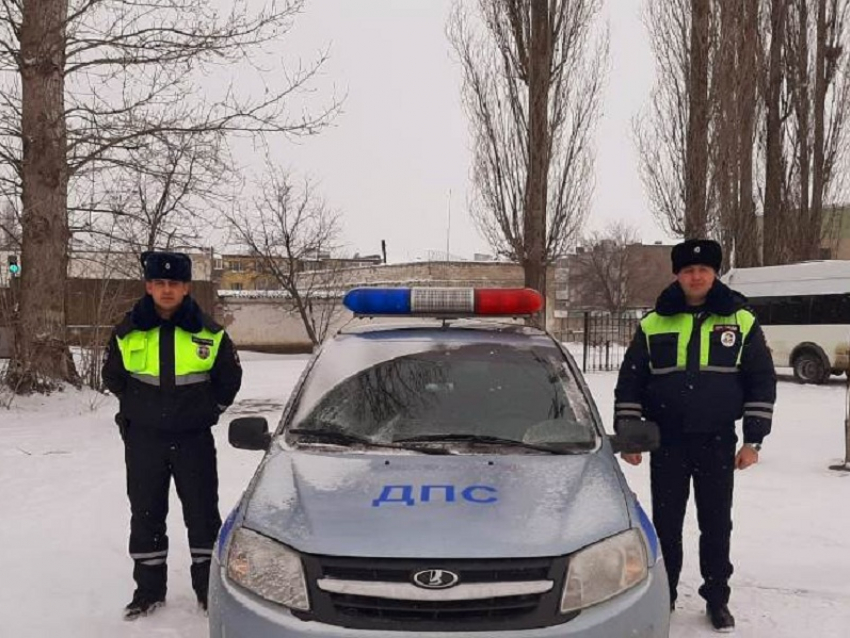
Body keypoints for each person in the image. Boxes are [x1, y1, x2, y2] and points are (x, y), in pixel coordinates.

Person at [614, 239, 776, 632]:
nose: (696, 276)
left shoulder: (740, 320)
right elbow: (631, 382)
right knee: (666, 524)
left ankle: (717, 598)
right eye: (688, 270)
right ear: (677, 274)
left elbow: (761, 381)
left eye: (703, 270)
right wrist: (632, 438)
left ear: (715, 273)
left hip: (716, 441)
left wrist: (753, 441)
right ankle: (664, 595)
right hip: (667, 442)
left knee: (716, 523)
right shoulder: (654, 322)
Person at [102, 251, 242, 620]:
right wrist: (138, 413)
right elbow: (113, 378)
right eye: (160, 283)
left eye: (174, 283)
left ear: (186, 288)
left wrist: (207, 412)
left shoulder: (209, 332)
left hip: (193, 439)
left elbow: (228, 381)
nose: (167, 290)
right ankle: (148, 591)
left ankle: (208, 590)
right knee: (146, 513)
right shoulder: (127, 331)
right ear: (149, 286)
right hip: (144, 441)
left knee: (202, 515)